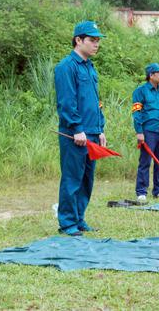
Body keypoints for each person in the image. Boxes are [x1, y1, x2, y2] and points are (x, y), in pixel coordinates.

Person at [54, 21, 107, 236]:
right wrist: (76, 128)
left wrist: (100, 128)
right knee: (72, 177)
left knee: (86, 179)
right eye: (92, 40)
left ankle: (78, 218)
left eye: (97, 41)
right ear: (78, 40)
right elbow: (67, 101)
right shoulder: (66, 66)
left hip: (92, 132)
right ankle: (67, 222)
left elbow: (94, 101)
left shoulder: (89, 67)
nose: (96, 45)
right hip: (75, 133)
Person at [132, 63, 159, 201]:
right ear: (151, 75)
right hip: (148, 131)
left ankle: (158, 190)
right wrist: (139, 131)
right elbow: (137, 113)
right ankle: (141, 191)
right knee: (145, 161)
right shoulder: (140, 91)